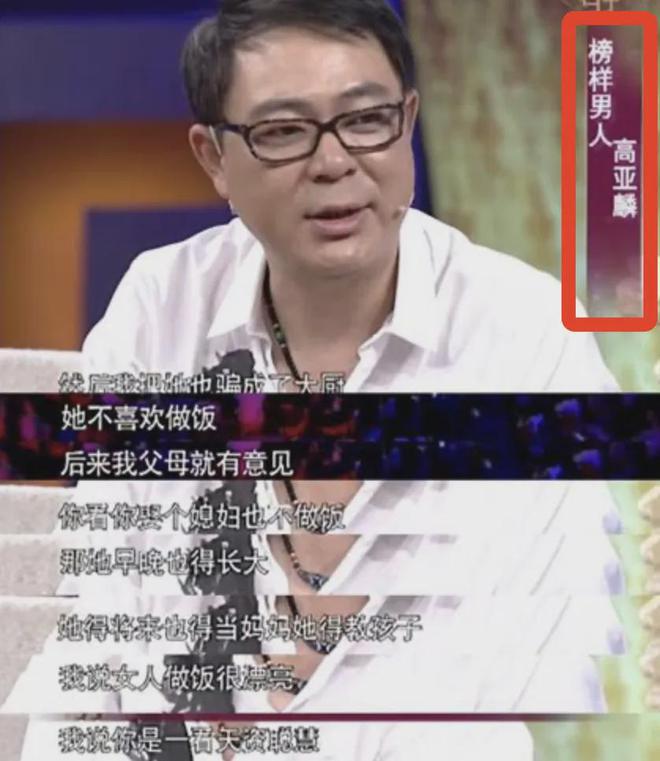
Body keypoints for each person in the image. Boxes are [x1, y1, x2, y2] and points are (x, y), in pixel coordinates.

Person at [7, 2, 627, 759]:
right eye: (283, 131)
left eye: (366, 121)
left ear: (408, 121)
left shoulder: (525, 332)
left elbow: (527, 653)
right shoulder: (160, 305)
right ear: (213, 157)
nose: (334, 162)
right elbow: (112, 608)